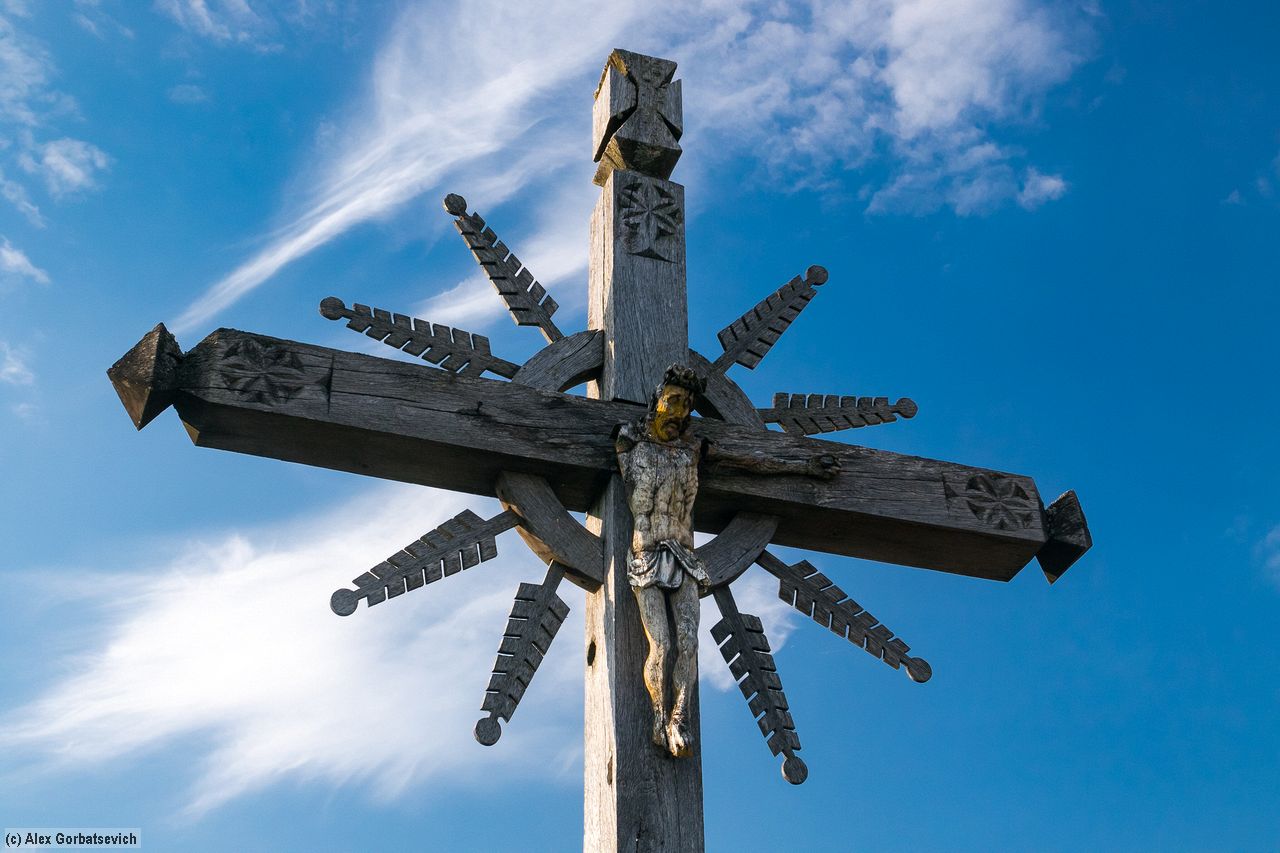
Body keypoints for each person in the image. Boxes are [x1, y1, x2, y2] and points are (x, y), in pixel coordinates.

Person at [615, 364, 839, 757]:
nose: (681, 411)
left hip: (684, 556)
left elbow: (749, 462)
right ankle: (656, 716)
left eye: (688, 405)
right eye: (675, 401)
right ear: (657, 401)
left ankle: (678, 718)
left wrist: (804, 466)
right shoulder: (628, 444)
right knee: (662, 645)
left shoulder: (693, 452)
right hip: (646, 555)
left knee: (688, 642)